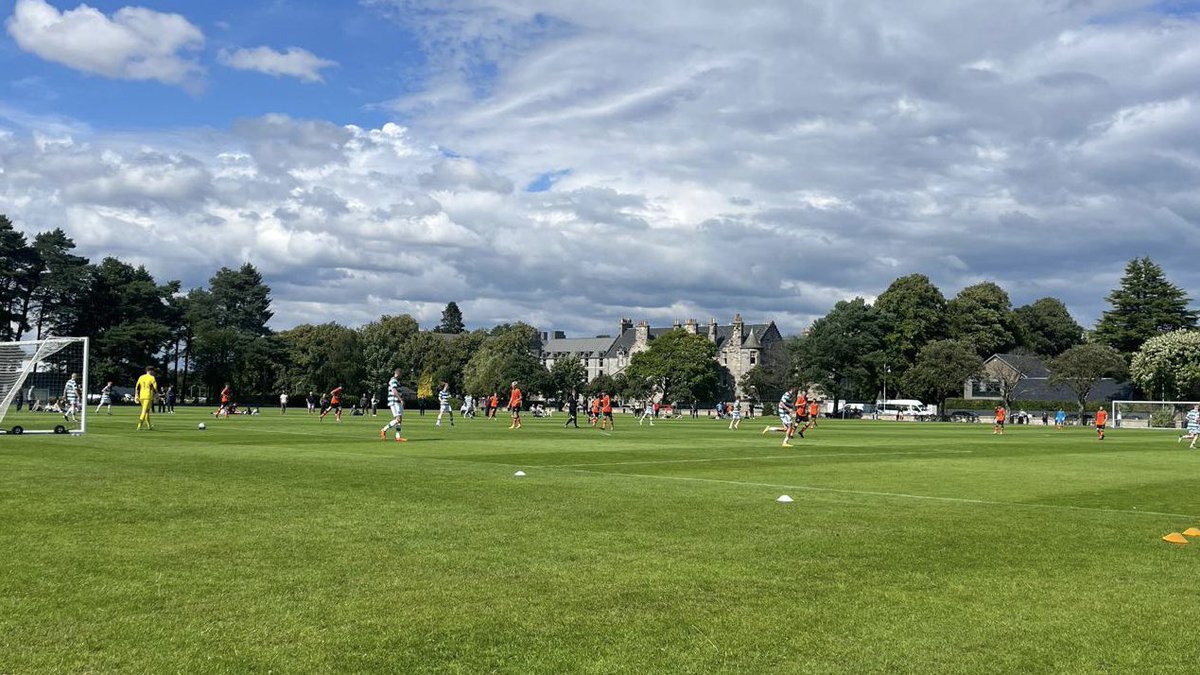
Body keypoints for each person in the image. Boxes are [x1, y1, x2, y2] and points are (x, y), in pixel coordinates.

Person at [380, 368, 407, 442]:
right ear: (398, 373)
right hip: (394, 401)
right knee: (398, 419)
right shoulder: (393, 380)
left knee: (399, 420)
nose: (401, 376)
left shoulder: (397, 381)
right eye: (401, 374)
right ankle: (384, 430)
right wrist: (400, 399)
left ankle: (398, 436)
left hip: (397, 401)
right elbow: (394, 391)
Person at [135, 366, 158, 431]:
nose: (153, 372)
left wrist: (136, 395)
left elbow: (137, 387)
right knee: (144, 411)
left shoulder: (141, 377)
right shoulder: (152, 378)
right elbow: (155, 387)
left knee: (147, 411)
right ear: (150, 371)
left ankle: (149, 426)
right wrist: (157, 394)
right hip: (148, 396)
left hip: (141, 396)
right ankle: (139, 425)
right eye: (153, 371)